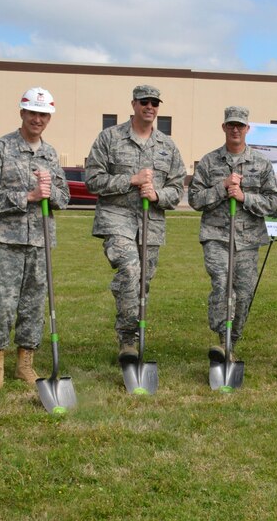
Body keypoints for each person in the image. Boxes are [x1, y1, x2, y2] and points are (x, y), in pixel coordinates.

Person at [85, 85, 186, 363]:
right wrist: (131, 180)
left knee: (142, 283)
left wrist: (156, 194)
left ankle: (134, 336)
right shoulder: (110, 138)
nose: (149, 107)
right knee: (130, 270)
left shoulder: (167, 146)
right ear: (133, 104)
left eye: (154, 103)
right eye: (144, 102)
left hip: (150, 223)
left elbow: (177, 189)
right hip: (116, 219)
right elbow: (92, 180)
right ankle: (128, 340)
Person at [0, 87, 70, 390]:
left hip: (39, 242)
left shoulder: (50, 154)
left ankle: (25, 364)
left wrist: (49, 192)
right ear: (22, 113)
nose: (38, 119)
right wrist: (28, 196)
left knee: (33, 305)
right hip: (3, 241)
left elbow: (64, 197)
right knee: (0, 304)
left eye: (43, 114)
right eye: (33, 113)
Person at [188, 106, 277, 361]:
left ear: (247, 129)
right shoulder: (209, 162)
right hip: (217, 236)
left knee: (244, 292)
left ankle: (232, 341)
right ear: (224, 128)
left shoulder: (261, 163)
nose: (235, 129)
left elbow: (275, 203)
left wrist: (244, 197)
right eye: (231, 125)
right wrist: (222, 187)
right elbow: (195, 199)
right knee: (222, 283)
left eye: (240, 125)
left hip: (248, 239)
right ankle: (222, 339)